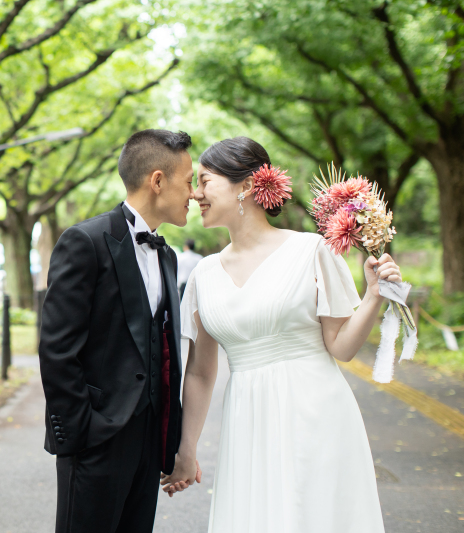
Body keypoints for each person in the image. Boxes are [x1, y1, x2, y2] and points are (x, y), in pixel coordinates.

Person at [162, 137, 400, 533]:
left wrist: (374, 296)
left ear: (246, 186)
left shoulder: (311, 250)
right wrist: (186, 449)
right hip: (246, 423)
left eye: (205, 181)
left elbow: (341, 347)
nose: (195, 194)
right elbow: (201, 372)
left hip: (315, 414)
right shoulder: (204, 274)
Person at [39, 129, 194, 533]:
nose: (193, 194)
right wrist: (83, 433)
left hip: (150, 441)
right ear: (157, 180)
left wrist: (170, 439)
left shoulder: (167, 255)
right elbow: (57, 350)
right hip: (96, 439)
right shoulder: (85, 241)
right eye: (189, 181)